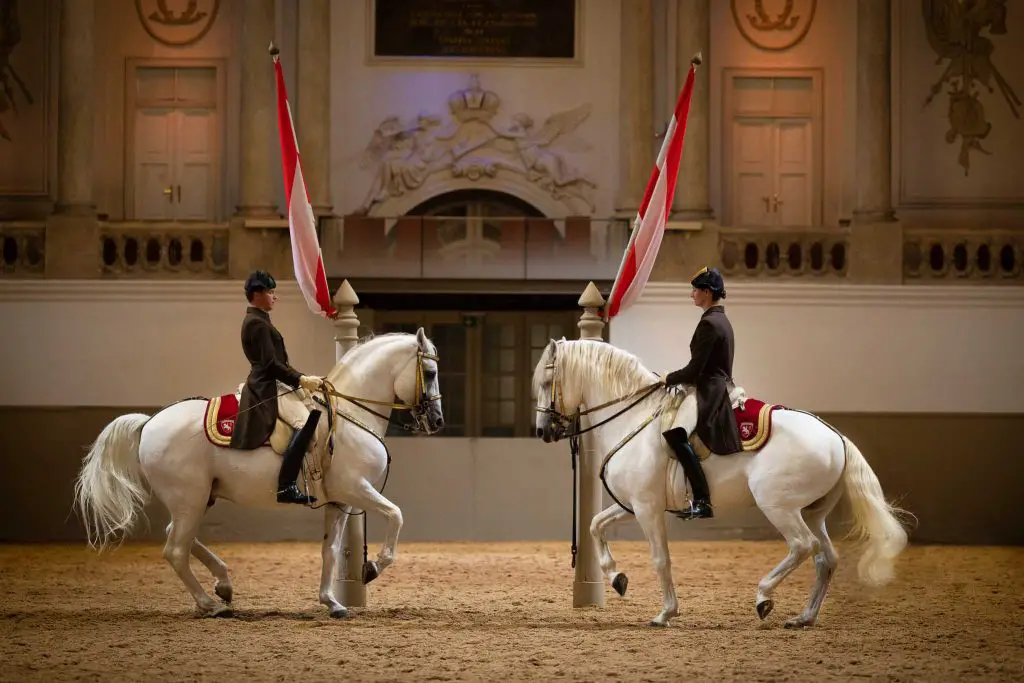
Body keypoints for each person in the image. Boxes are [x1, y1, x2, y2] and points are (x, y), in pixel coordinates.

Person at [230, 270, 325, 505]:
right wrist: (301, 379)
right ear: (257, 294)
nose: (275, 297)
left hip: (276, 381)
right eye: (271, 292)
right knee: (305, 424)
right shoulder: (257, 324)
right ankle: (286, 486)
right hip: (268, 385)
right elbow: (271, 365)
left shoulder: (260, 320)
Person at [661, 266, 743, 520]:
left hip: (709, 389)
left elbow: (694, 369)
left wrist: (667, 378)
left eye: (695, 290)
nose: (692, 295)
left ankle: (702, 499)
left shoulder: (709, 323)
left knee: (675, 434)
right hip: (717, 384)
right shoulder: (722, 320)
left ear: (707, 293)